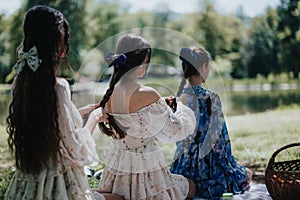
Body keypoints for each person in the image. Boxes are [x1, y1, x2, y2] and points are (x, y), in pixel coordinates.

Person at [4, 5, 121, 200]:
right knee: (118, 198)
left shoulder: (21, 82)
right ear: (57, 45)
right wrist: (93, 118)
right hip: (58, 185)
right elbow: (74, 149)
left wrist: (78, 112)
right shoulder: (59, 86)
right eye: (64, 42)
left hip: (29, 182)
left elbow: (49, 119)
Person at [94, 34, 197, 200]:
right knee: (190, 186)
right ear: (141, 61)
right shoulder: (148, 94)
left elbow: (134, 115)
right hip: (145, 167)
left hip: (118, 168)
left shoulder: (110, 94)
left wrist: (159, 105)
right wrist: (181, 108)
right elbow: (174, 131)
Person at [170, 47, 252, 199]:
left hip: (183, 168)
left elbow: (178, 139)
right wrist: (231, 166)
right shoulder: (211, 98)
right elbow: (221, 145)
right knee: (247, 173)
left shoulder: (177, 98)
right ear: (203, 67)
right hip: (209, 172)